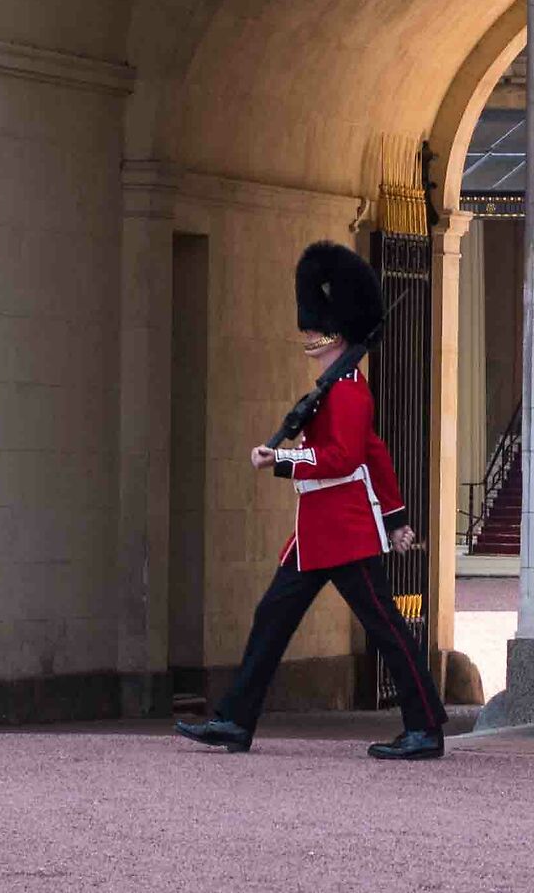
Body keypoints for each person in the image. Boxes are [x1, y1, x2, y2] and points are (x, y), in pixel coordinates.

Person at [176, 241, 445, 760]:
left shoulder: (347, 390)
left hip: (343, 532)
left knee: (385, 627)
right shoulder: (334, 385)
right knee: (271, 618)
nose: (307, 334)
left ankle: (426, 726)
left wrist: (281, 460)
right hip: (316, 531)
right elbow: (376, 454)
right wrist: (397, 516)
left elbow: (344, 458)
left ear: (336, 332)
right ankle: (235, 720)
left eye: (315, 327)